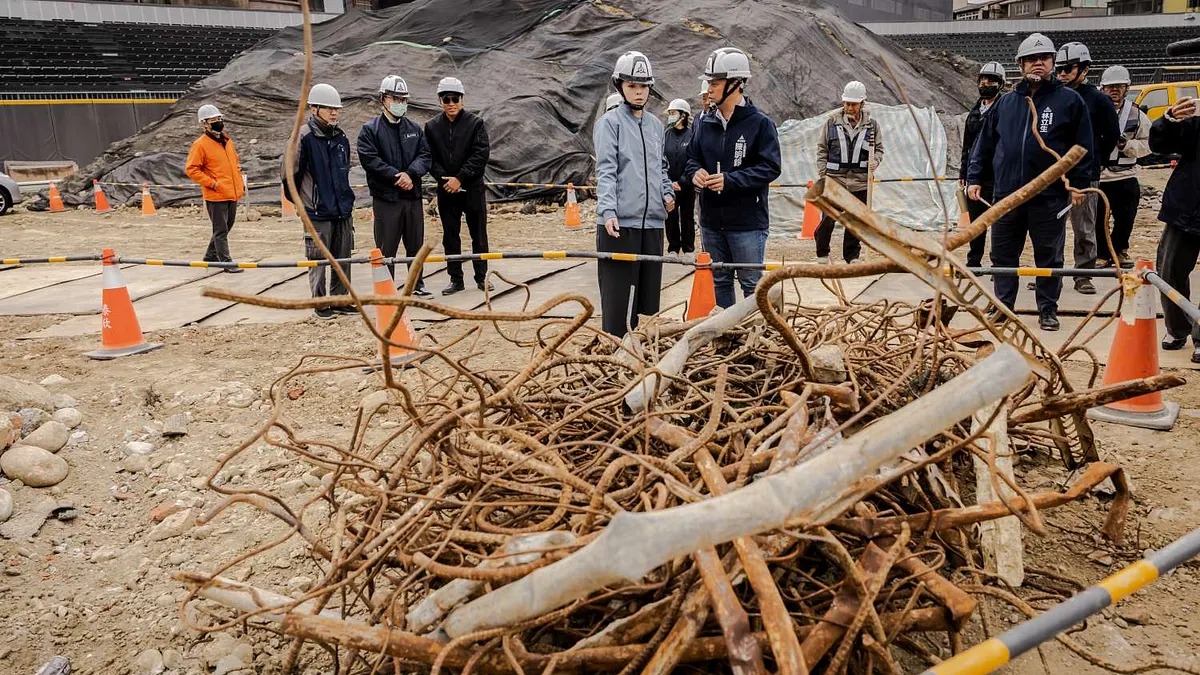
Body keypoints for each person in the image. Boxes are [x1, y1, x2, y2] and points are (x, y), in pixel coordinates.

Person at [968, 33, 1093, 332]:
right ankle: (1003, 306)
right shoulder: (1006, 103)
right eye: (1031, 59)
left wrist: (1079, 184)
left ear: (1052, 63)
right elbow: (984, 145)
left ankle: (1047, 309)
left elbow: (1084, 145)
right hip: (1007, 195)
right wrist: (975, 177)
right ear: (1021, 65)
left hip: (1049, 197)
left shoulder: (1069, 101)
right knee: (1002, 255)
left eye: (1044, 58)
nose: (1038, 63)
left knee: (1049, 255)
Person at [684, 47, 781, 308]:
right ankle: (726, 331)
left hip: (747, 222)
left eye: (715, 83)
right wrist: (695, 173)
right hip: (711, 222)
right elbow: (691, 158)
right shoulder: (704, 123)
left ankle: (755, 331)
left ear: (736, 84)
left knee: (751, 283)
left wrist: (731, 180)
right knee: (720, 281)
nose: (709, 89)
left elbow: (770, 167)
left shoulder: (760, 124)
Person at [593, 51, 674, 337]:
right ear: (620, 86)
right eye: (632, 86)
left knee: (648, 305)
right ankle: (614, 352)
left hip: (652, 224)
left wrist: (666, 193)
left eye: (643, 86)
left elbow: (661, 167)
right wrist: (608, 211)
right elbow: (606, 170)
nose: (639, 92)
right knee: (619, 303)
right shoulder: (609, 123)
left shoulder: (655, 126)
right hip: (620, 225)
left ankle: (644, 352)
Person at [283, 83, 357, 320]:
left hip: (341, 209)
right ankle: (321, 304)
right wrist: (300, 203)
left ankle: (340, 300)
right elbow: (289, 175)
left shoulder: (341, 138)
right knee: (318, 259)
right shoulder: (303, 138)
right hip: (317, 211)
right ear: (314, 109)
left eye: (337, 109)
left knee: (343, 257)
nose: (334, 113)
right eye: (328, 108)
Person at [357, 75, 433, 296]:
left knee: (415, 245)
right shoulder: (370, 130)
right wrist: (396, 177)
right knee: (386, 247)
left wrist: (411, 174)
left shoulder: (414, 129)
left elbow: (425, 155)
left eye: (403, 99)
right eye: (395, 99)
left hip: (412, 198)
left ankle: (416, 284)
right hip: (386, 199)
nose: (400, 103)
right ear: (383, 99)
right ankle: (386, 290)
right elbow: (370, 160)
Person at [1055, 41, 1120, 295]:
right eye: (1059, 69)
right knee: (1051, 227)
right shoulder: (1054, 96)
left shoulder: (1098, 100)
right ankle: (1051, 272)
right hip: (1055, 175)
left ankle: (1083, 274)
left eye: (1068, 69)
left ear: (1084, 69)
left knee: (1084, 226)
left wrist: (1094, 161)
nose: (1062, 74)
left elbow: (1110, 135)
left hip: (1084, 175)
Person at [425, 77, 492, 294]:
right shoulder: (432, 127)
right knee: (450, 235)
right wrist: (444, 179)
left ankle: (481, 277)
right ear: (440, 101)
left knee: (478, 234)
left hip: (472, 188)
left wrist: (460, 178)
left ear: (462, 99)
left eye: (455, 98)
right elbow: (429, 156)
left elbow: (480, 154)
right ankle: (456, 279)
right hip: (447, 191)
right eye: (446, 99)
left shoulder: (475, 124)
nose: (451, 103)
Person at [1150, 94, 1200, 362]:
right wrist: (1169, 120)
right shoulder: (1196, 119)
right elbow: (1160, 145)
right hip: (1187, 206)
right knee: (1169, 271)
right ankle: (1178, 328)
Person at [815, 80, 884, 265]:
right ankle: (822, 253)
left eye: (853, 104)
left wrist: (875, 161)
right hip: (835, 180)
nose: (849, 107)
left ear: (862, 103)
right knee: (828, 218)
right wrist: (823, 174)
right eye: (847, 103)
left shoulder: (872, 126)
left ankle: (852, 256)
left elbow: (879, 149)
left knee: (855, 221)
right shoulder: (831, 123)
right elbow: (822, 149)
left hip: (860, 181)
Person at [1096, 65, 1150, 270]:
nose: (1114, 90)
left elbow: (1149, 144)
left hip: (1125, 175)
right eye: (1110, 87)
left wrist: (1127, 146)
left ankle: (1119, 250)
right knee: (1098, 219)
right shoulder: (1094, 111)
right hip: (1100, 177)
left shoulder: (1137, 115)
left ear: (1127, 88)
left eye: (1119, 86)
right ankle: (1102, 253)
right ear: (1103, 88)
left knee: (1125, 219)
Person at [186, 104, 246, 273]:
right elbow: (192, 169)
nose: (218, 122)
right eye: (214, 119)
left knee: (227, 226)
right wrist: (212, 183)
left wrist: (239, 180)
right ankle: (226, 262)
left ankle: (210, 256)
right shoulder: (200, 145)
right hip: (216, 195)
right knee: (221, 230)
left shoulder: (227, 142)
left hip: (231, 192)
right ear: (204, 124)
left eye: (219, 118)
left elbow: (235, 163)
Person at [958, 63, 1007, 268]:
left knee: (999, 222)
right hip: (976, 176)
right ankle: (974, 261)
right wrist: (964, 172)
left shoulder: (1004, 109)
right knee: (976, 221)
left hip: (998, 175)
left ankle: (999, 264)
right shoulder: (974, 112)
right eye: (983, 80)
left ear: (1000, 84)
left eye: (991, 80)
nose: (985, 83)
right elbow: (967, 145)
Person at [664, 98, 696, 254]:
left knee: (687, 216)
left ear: (683, 115)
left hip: (687, 185)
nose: (670, 116)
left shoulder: (692, 136)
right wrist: (668, 182)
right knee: (670, 216)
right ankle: (673, 248)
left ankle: (688, 249)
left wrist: (683, 181)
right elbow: (661, 160)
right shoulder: (665, 135)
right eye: (669, 113)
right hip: (669, 185)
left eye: (673, 112)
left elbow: (694, 160)